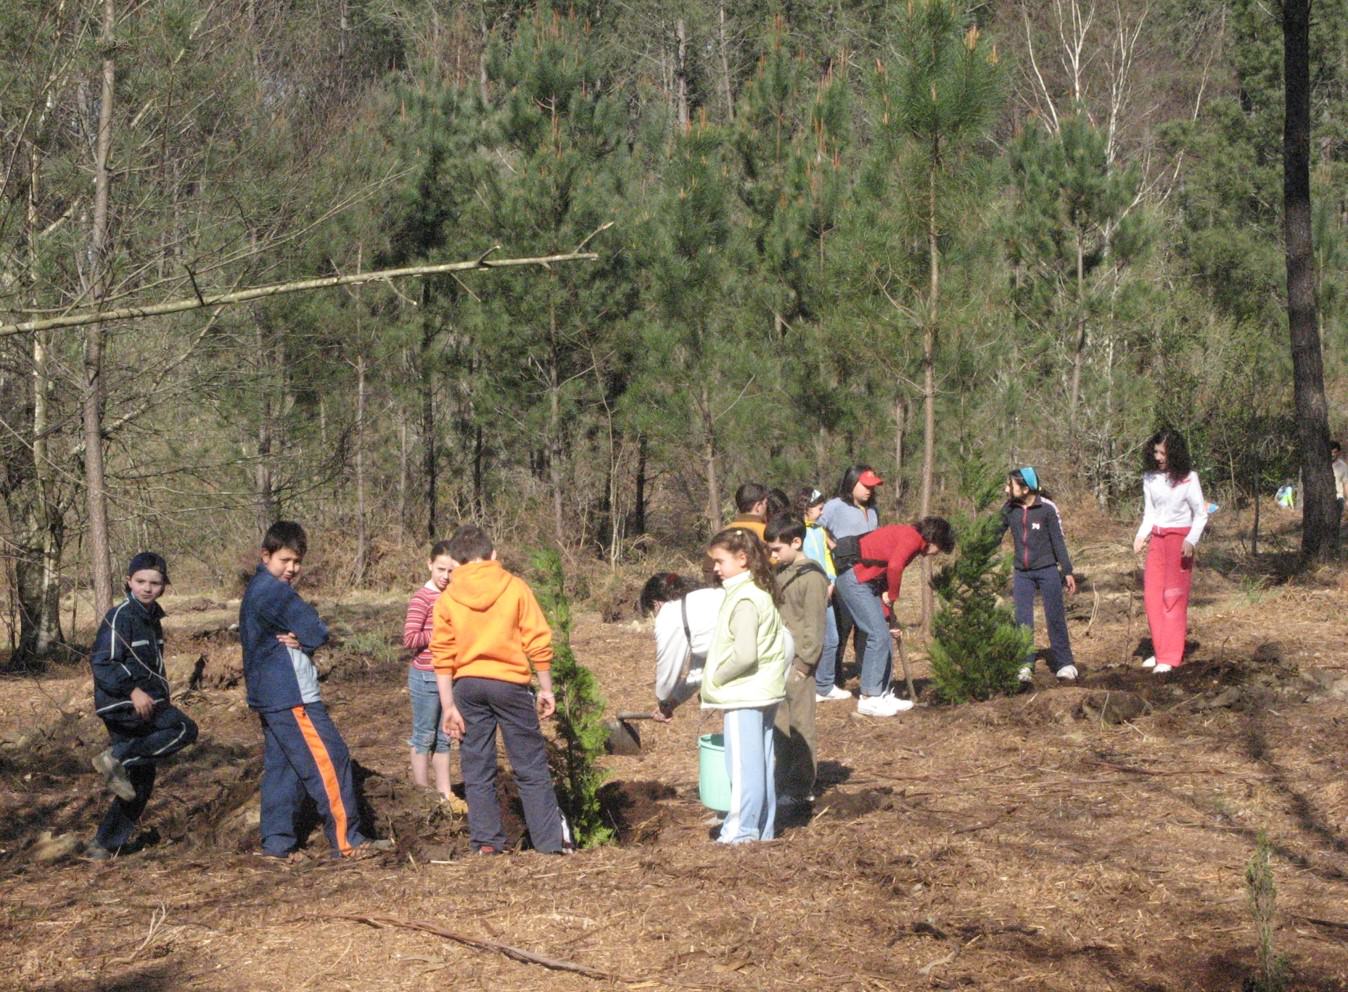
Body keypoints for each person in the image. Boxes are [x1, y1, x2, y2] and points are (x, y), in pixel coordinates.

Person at [241, 521, 388, 860]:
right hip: (291, 694)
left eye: (297, 562)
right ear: (266, 555)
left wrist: (302, 637)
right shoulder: (273, 590)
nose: (292, 569)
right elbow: (316, 629)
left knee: (284, 768)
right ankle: (347, 841)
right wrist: (307, 636)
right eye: (285, 560)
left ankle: (277, 845)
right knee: (331, 759)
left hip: (271, 694)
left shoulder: (258, 588)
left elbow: (303, 630)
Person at [431, 524, 567, 855]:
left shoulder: (448, 598)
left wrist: (448, 706)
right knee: (530, 766)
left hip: (467, 687)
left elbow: (442, 655)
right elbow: (537, 639)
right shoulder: (515, 587)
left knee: (477, 768)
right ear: (493, 556)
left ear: (458, 562)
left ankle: (487, 843)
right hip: (510, 685)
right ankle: (548, 844)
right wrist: (546, 688)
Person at [87, 552, 199, 859]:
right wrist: (133, 691)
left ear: (164, 586)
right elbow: (103, 661)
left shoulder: (152, 619)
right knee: (183, 728)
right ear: (128, 582)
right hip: (123, 706)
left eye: (155, 583)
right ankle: (117, 756)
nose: (147, 588)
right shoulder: (120, 616)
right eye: (140, 582)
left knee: (139, 780)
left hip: (147, 703)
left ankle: (103, 845)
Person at [701, 527, 789, 843]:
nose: (715, 568)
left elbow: (745, 655)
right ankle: (761, 830)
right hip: (761, 690)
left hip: (743, 693)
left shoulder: (745, 598)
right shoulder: (757, 592)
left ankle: (740, 831)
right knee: (761, 764)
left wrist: (716, 676)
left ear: (742, 559)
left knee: (742, 767)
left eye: (720, 561)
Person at [832, 517, 955, 716]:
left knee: (886, 634)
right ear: (934, 539)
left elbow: (884, 575)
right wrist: (893, 595)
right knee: (877, 635)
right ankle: (870, 698)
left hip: (867, 583)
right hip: (855, 580)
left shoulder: (911, 539)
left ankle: (883, 692)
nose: (936, 553)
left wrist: (888, 614)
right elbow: (895, 567)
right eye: (939, 548)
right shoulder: (912, 538)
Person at [764, 515, 828, 806]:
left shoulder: (812, 577)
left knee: (800, 727)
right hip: (778, 661)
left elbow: (815, 625)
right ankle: (781, 782)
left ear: (796, 542)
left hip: (799, 664)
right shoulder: (781, 572)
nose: (772, 555)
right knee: (780, 725)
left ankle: (802, 786)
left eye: (777, 549)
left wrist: (804, 666)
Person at [1133, 429, 1208, 673]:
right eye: (1155, 451)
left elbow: (1200, 514)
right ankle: (1160, 650)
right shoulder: (1150, 478)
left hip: (1180, 541)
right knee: (1153, 597)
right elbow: (1150, 513)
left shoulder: (1189, 478)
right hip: (1157, 540)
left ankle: (1171, 656)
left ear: (1174, 453)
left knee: (1173, 597)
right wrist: (1141, 536)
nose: (1158, 457)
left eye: (1163, 452)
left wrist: (1191, 540)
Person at [998, 467, 1078, 683]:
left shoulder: (1047, 508)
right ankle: (1024, 664)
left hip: (1048, 570)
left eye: (1010, 485)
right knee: (1022, 620)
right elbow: (995, 533)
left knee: (1055, 616)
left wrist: (1067, 570)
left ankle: (1065, 663)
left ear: (1025, 488)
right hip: (1021, 573)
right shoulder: (1009, 509)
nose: (1006, 489)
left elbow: (1058, 541)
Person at [402, 540, 464, 808]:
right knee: (423, 736)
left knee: (444, 737)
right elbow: (410, 638)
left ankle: (444, 794)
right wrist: (441, 632)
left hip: (449, 677)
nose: (445, 577)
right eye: (440, 569)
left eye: (451, 571)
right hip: (426, 676)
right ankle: (422, 794)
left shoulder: (454, 596)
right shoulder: (422, 598)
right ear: (429, 564)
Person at [818, 465, 883, 691]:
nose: (869, 491)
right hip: (845, 575)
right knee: (843, 625)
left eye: (872, 487)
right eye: (864, 485)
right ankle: (834, 676)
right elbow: (815, 527)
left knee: (867, 628)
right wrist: (832, 545)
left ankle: (866, 669)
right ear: (851, 482)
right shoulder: (835, 506)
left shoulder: (873, 511)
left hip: (871, 577)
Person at [638, 573, 724, 719]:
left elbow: (667, 675)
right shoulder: (697, 603)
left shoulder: (669, 615)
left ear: (657, 603)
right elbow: (697, 675)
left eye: (653, 611)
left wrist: (663, 702)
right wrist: (671, 704)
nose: (655, 616)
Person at [795, 487, 845, 702]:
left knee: (832, 639)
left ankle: (824, 685)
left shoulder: (820, 530)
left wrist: (832, 581)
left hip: (825, 591)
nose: (822, 513)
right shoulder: (798, 532)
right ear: (806, 507)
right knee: (809, 640)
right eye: (819, 508)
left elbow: (827, 558)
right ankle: (807, 685)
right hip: (807, 592)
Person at [1331, 441, 1347, 541]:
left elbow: (1346, 484)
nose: (1332, 454)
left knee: (1334, 523)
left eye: (1335, 452)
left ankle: (1333, 545)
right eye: (1330, 452)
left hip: (1338, 498)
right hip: (1323, 498)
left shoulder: (1343, 466)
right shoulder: (1320, 465)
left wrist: (1347, 501)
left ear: (1339, 453)